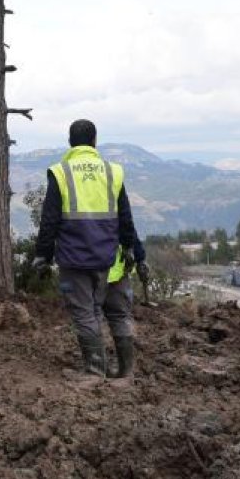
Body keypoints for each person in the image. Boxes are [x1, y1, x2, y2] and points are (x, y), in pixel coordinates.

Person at [34, 120, 148, 382]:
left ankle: (95, 373)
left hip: (76, 258)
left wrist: (43, 255)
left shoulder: (61, 172)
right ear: (95, 140)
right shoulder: (112, 171)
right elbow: (126, 218)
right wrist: (134, 251)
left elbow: (49, 219)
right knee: (119, 313)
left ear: (70, 142)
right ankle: (126, 373)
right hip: (113, 260)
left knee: (86, 313)